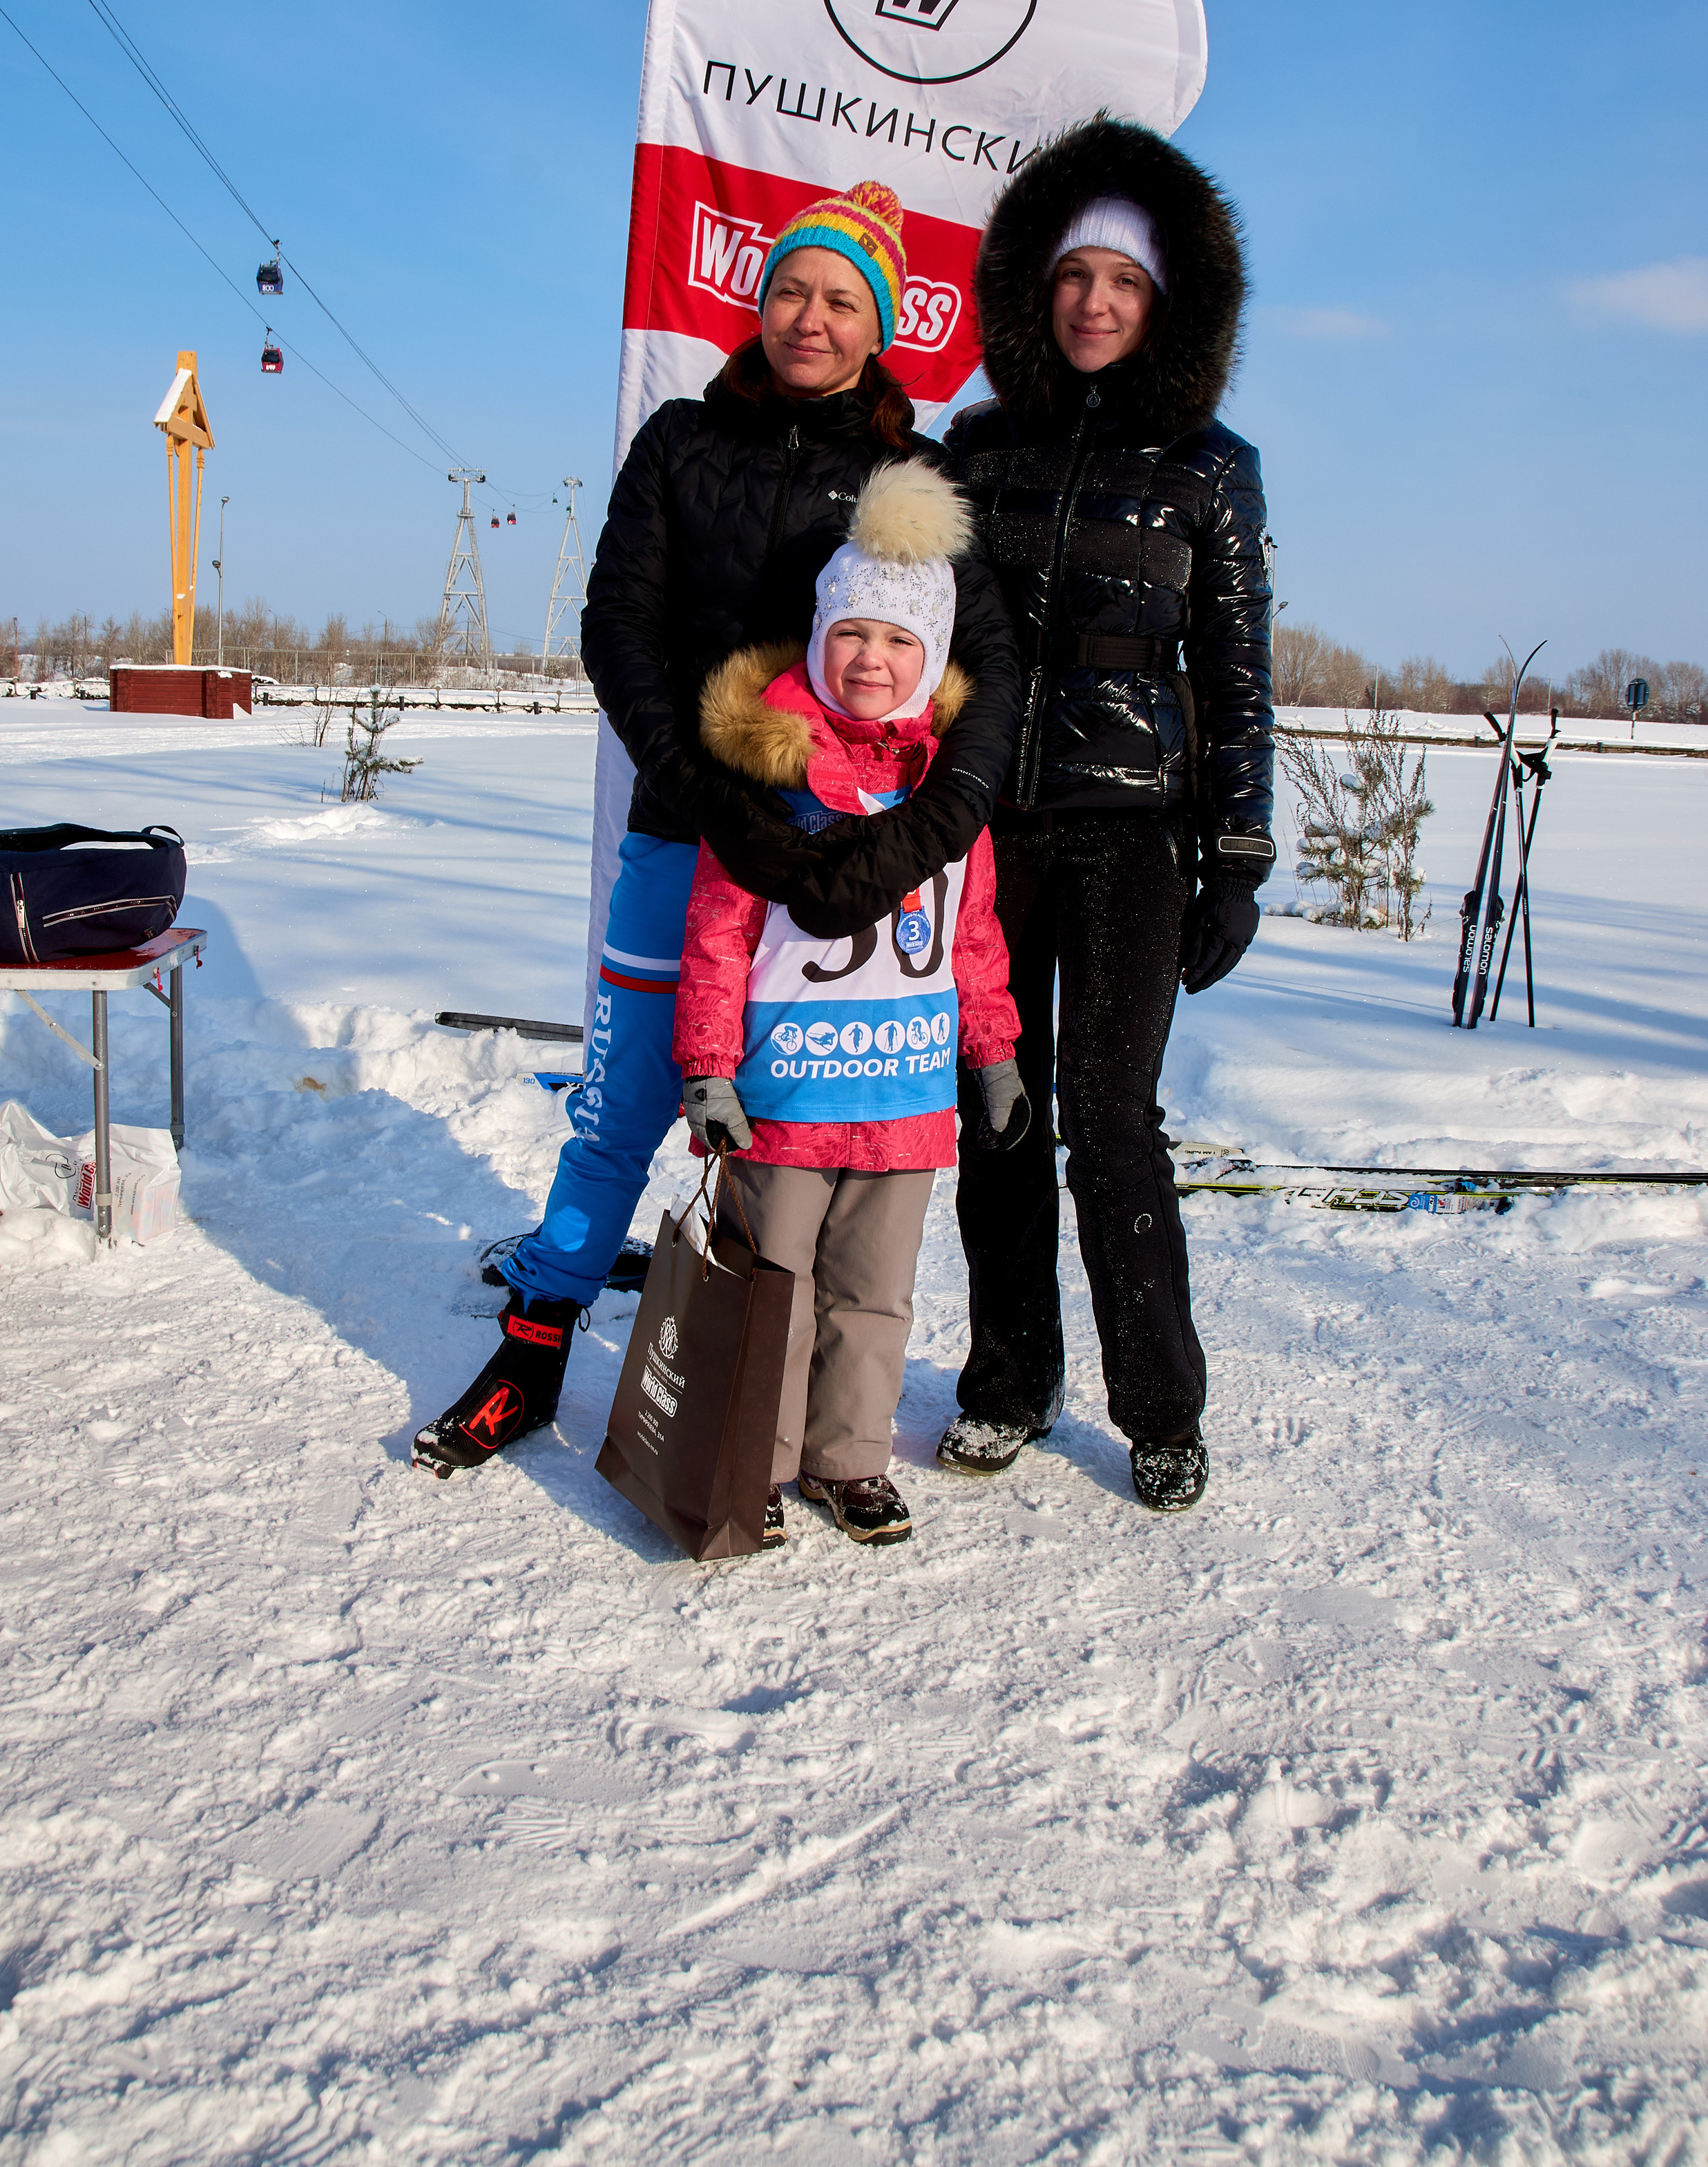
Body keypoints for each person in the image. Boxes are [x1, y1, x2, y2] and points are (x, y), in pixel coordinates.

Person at [413, 181, 1021, 1478]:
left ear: (885, 323)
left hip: (848, 864)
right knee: (627, 1091)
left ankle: (795, 1395)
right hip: (686, 831)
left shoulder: (909, 481)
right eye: (793, 288)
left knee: (811, 1127)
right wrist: (709, 800)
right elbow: (615, 626)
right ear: (759, 298)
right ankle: (537, 1341)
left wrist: (921, 837)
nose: (812, 316)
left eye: (843, 299)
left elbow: (989, 673)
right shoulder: (681, 442)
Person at [936, 115, 1274, 1513]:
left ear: (1163, 302)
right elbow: (914, 631)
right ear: (1035, 289)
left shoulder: (1208, 464)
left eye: (1121, 284)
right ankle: (1009, 1383)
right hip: (988, 825)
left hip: (1133, 828)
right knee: (995, 1112)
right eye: (1072, 277)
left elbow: (1240, 662)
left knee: (1108, 1114)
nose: (1092, 303)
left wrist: (1235, 856)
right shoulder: (974, 445)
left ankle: (1160, 1408)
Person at [674, 459, 1024, 1547]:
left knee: (874, 1296)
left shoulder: (949, 795)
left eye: (899, 642)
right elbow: (720, 938)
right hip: (784, 1098)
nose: (872, 659)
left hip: (907, 1100)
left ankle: (850, 1459)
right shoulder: (768, 786)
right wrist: (708, 1069)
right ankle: (761, 1460)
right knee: (773, 1290)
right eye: (852, 636)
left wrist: (995, 1051)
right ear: (821, 640)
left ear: (930, 661)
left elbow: (974, 938)